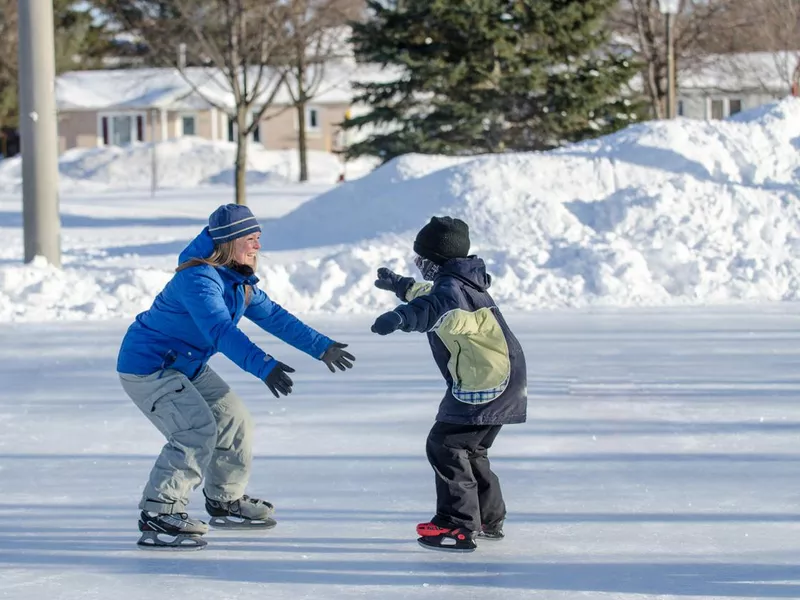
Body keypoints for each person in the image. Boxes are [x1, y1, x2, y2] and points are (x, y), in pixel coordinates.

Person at [117, 203, 356, 551]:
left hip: (185, 363)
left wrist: (322, 347)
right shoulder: (197, 279)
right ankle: (160, 512)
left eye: (259, 238)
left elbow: (274, 316)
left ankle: (224, 500)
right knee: (194, 431)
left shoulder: (236, 281)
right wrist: (264, 365)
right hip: (150, 366)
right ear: (229, 242)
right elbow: (220, 330)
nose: (258, 246)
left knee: (234, 419)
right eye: (251, 239)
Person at [370, 216, 527, 552]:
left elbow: (439, 310)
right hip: (503, 376)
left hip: (484, 381)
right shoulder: (462, 280)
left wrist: (402, 317)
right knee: (471, 449)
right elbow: (425, 293)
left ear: (434, 261)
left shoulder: (450, 290)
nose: (417, 265)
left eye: (420, 260)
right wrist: (398, 284)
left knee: (445, 445)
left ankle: (456, 525)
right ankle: (487, 518)